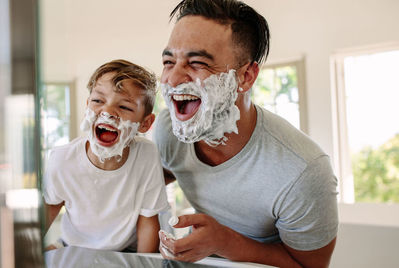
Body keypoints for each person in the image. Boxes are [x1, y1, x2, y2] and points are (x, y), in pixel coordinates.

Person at [153, 0, 338, 267]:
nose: (172, 79)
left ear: (246, 77)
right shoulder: (168, 131)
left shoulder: (303, 171)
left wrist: (224, 243)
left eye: (197, 63)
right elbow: (151, 178)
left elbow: (310, 266)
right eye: (169, 61)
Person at [43, 59, 170, 252]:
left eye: (125, 107)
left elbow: (148, 221)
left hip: (125, 251)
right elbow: (44, 216)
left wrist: (145, 263)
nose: (108, 112)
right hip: (74, 248)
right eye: (98, 101)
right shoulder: (62, 160)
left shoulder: (146, 155)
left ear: (145, 124)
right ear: (87, 107)